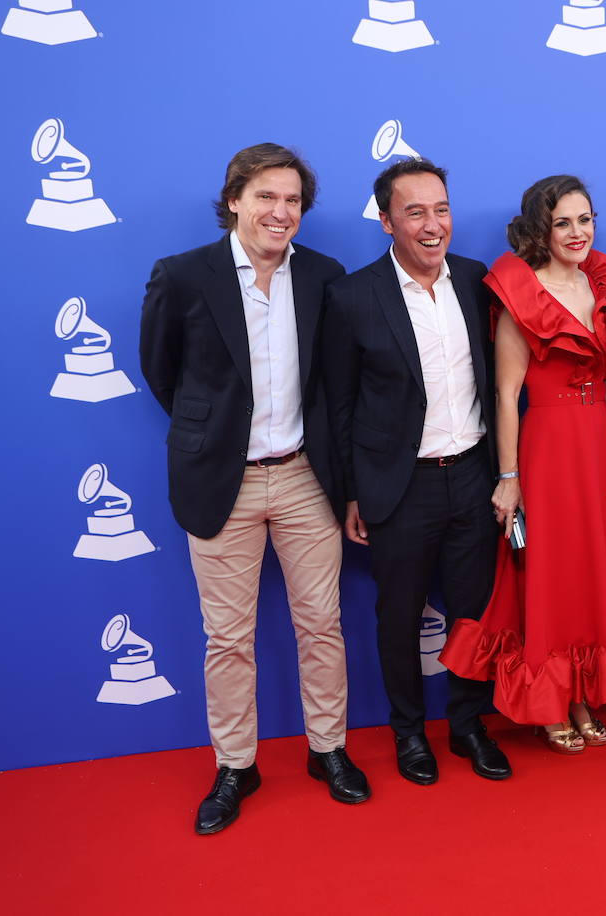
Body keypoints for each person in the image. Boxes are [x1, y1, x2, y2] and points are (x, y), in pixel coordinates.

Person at [139, 143, 368, 834]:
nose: (281, 212)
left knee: (321, 626)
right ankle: (236, 764)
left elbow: (336, 388)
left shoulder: (325, 278)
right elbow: (163, 374)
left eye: (293, 200)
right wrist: (216, 437)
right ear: (234, 198)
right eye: (267, 196)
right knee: (228, 638)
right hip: (222, 482)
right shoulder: (183, 277)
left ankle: (327, 749)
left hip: (304, 478)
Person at [440, 175, 606, 752]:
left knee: (597, 571)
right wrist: (509, 477)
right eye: (563, 222)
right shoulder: (519, 289)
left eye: (586, 220)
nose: (578, 233)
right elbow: (505, 394)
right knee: (555, 574)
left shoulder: (604, 280)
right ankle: (549, 706)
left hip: (599, 444)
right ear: (540, 228)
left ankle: (581, 694)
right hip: (547, 450)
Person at [323, 158, 511, 785]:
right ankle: (409, 734)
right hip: (399, 487)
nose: (433, 226)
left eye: (442, 209)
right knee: (398, 616)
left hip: (475, 476)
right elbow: (340, 406)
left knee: (472, 612)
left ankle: (466, 725)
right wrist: (351, 493)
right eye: (415, 212)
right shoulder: (352, 297)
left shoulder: (478, 281)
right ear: (386, 222)